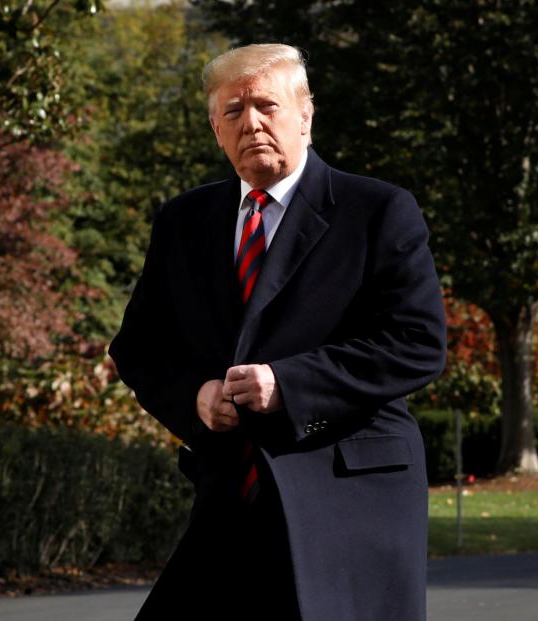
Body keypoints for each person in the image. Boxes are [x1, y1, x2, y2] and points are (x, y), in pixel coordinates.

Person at [109, 43, 447, 621]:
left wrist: (287, 385)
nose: (253, 123)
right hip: (229, 497)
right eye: (234, 112)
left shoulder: (377, 210)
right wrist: (195, 396)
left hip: (348, 499)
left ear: (306, 114)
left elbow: (418, 343)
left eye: (267, 105)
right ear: (216, 129)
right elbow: (138, 347)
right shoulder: (184, 222)